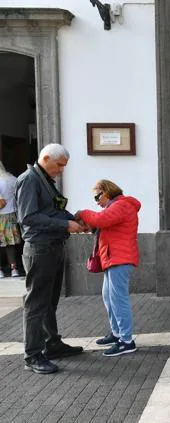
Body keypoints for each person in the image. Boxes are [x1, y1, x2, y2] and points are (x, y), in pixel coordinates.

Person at [16, 144, 85, 374]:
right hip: (40, 248)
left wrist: (74, 218)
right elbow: (29, 217)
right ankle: (33, 356)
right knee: (36, 304)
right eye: (60, 165)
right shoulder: (30, 180)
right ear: (45, 158)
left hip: (52, 247)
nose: (62, 170)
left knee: (49, 303)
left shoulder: (45, 180)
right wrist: (65, 224)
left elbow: (53, 210)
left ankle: (51, 344)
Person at [78, 180, 141, 357]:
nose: (96, 201)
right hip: (113, 259)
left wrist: (82, 213)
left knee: (118, 299)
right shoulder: (115, 206)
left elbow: (101, 220)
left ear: (107, 191)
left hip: (120, 259)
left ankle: (127, 341)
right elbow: (101, 223)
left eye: (98, 196)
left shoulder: (122, 205)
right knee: (109, 297)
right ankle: (117, 333)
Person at [0, 161, 22, 278]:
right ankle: (14, 269)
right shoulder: (13, 179)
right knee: (10, 244)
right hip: (12, 215)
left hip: (1, 216)